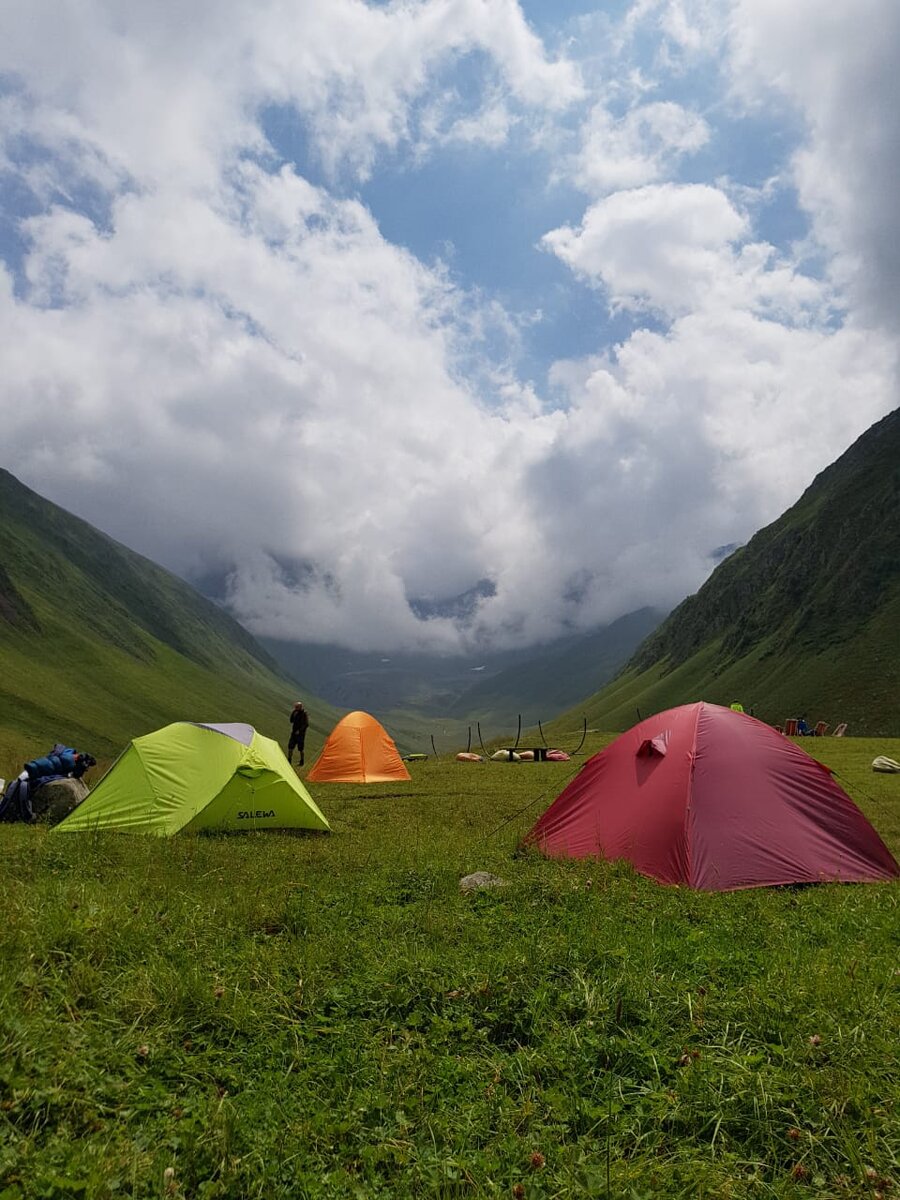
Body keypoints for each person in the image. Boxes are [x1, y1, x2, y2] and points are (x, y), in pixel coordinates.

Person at [288, 701, 309, 766]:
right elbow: (291, 721)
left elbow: (306, 724)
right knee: (290, 747)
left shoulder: (304, 714)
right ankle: (289, 760)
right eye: (295, 707)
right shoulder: (295, 712)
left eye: (297, 707)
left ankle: (302, 761)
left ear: (300, 707)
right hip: (294, 733)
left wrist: (299, 731)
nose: (295, 708)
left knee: (300, 749)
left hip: (301, 735)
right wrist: (293, 713)